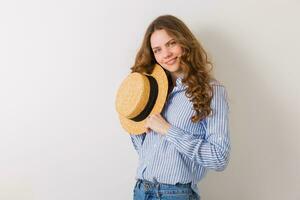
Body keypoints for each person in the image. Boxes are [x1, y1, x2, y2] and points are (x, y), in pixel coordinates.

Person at [129, 15, 230, 200]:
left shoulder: (211, 91)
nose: (165, 54)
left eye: (171, 43)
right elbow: (147, 152)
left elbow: (219, 158)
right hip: (141, 190)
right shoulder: (155, 91)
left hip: (175, 194)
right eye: (157, 50)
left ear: (184, 42)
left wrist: (168, 130)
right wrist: (135, 126)